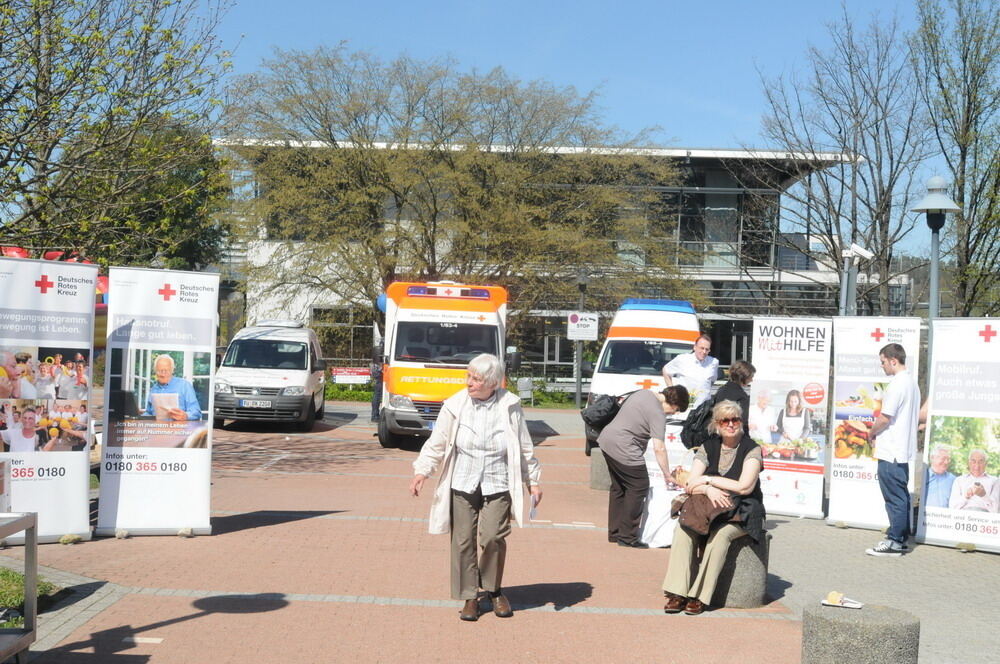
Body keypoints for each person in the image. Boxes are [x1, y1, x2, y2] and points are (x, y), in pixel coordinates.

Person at [409, 354, 542, 622]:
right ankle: (470, 596)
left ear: (492, 383)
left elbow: (524, 446)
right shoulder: (455, 405)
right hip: (463, 480)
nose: (469, 382)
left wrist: (533, 481)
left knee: (493, 536)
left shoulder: (510, 405)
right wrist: (422, 471)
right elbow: (438, 441)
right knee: (463, 541)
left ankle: (493, 590)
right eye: (469, 376)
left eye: (476, 379)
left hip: (498, 480)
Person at [661, 400, 765, 615]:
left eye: (734, 419)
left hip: (741, 511)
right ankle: (677, 592)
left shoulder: (752, 449)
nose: (730, 424)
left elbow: (744, 487)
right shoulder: (708, 446)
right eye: (724, 420)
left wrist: (709, 480)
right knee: (682, 530)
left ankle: (699, 596)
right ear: (716, 424)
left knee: (719, 538)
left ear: (741, 422)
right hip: (709, 507)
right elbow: (690, 483)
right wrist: (708, 490)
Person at [598, 385, 690, 548]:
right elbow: (659, 448)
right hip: (625, 448)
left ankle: (615, 532)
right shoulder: (657, 413)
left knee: (619, 487)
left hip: (607, 440)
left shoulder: (643, 393)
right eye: (676, 409)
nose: (674, 413)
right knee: (639, 487)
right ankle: (627, 537)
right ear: (674, 402)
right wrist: (667, 474)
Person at [866, 343, 920, 557]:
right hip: (901, 449)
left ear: (893, 360)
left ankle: (894, 541)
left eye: (883, 362)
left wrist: (871, 433)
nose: (882, 366)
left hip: (891, 450)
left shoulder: (898, 384)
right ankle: (900, 537)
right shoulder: (911, 383)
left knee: (894, 496)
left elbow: (885, 417)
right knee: (901, 495)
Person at [662, 334, 718, 407]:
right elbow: (666, 370)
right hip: (684, 405)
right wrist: (672, 390)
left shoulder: (713, 362)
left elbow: (712, 380)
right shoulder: (682, 359)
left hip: (704, 408)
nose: (704, 352)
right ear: (695, 347)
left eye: (707, 349)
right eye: (702, 348)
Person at [144, 354, 203, 421]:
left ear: (172, 370)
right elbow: (149, 413)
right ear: (155, 371)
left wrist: (186, 416)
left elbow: (197, 412)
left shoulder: (184, 385)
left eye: (166, 370)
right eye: (160, 371)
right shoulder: (153, 389)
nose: (163, 374)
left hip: (179, 429)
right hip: (157, 429)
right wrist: (137, 417)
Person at [711, 360, 755, 430]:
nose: (752, 380)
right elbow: (742, 422)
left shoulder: (721, 390)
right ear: (744, 377)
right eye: (751, 377)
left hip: (717, 431)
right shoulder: (742, 396)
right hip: (732, 434)